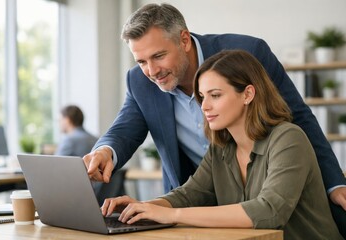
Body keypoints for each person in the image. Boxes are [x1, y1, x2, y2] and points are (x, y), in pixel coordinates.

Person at [83, 3, 346, 236]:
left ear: (184, 40)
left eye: (159, 56)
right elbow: (127, 130)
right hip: (218, 218)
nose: (151, 71)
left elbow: (299, 119)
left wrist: (334, 181)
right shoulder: (221, 145)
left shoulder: (284, 134)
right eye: (141, 61)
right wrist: (141, 206)